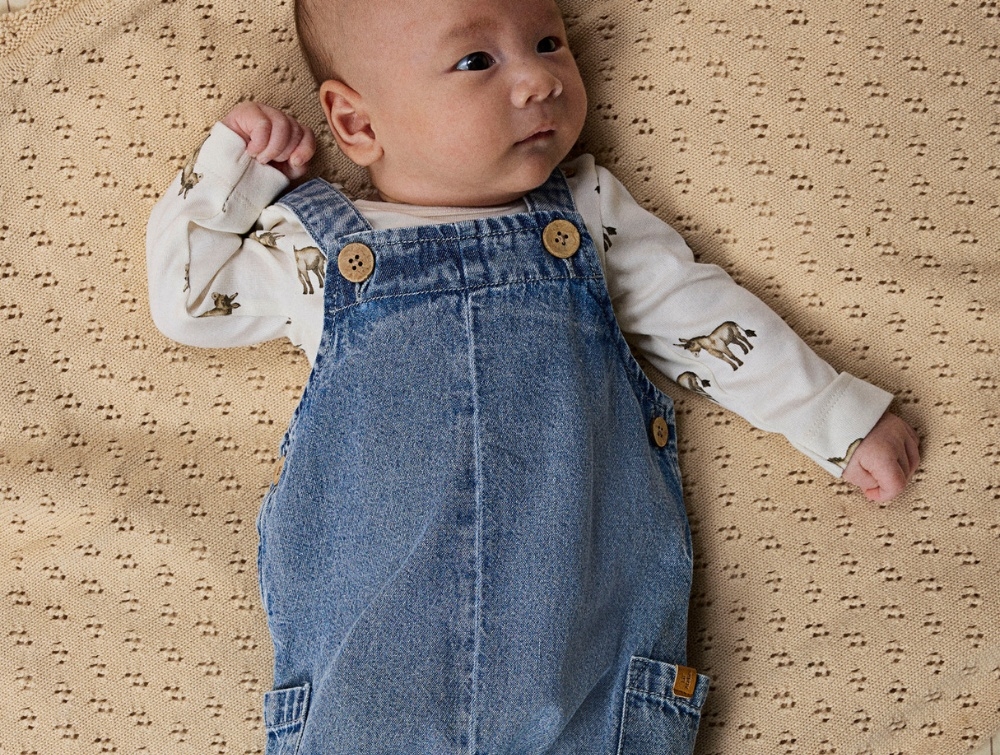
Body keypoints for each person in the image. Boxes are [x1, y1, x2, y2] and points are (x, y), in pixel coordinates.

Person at [145, 0, 920, 751]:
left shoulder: (586, 216)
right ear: (357, 123)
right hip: (370, 691)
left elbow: (706, 321)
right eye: (477, 60)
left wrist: (835, 417)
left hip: (581, 676)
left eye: (549, 42)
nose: (540, 79)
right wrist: (235, 168)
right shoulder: (311, 251)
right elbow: (187, 298)